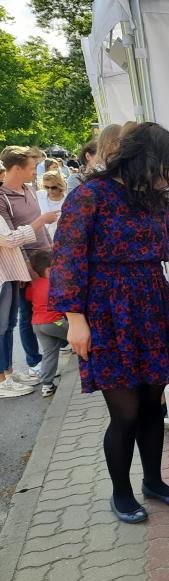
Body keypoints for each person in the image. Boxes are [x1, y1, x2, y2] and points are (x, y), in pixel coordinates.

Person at [49, 122, 169, 524]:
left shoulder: (152, 197)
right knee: (125, 413)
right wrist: (75, 320)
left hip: (150, 303)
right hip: (106, 311)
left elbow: (164, 244)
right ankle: (121, 493)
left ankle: (154, 482)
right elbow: (67, 258)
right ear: (147, 159)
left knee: (152, 405)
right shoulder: (89, 195)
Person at [0, 145, 54, 383]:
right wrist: (25, 265)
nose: (35, 172)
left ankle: (49, 353)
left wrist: (52, 249)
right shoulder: (2, 198)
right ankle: (33, 361)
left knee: (47, 306)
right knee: (26, 314)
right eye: (32, 168)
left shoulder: (30, 189)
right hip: (25, 265)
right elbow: (10, 236)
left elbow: (40, 224)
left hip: (45, 257)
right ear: (17, 169)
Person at [0, 212, 55, 397]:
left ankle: (8, 373)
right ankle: (2, 381)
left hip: (8, 273)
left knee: (8, 327)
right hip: (3, 276)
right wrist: (39, 222)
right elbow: (10, 239)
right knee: (1, 330)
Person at [24, 250, 66, 397]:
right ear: (49, 269)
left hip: (37, 325)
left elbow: (28, 296)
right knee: (79, 334)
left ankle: (47, 385)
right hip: (55, 322)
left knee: (49, 353)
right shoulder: (54, 284)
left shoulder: (34, 284)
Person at [36, 170, 66, 241]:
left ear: (60, 185)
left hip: (60, 239)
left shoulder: (68, 200)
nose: (50, 190)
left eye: (53, 187)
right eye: (46, 187)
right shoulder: (38, 195)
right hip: (42, 239)